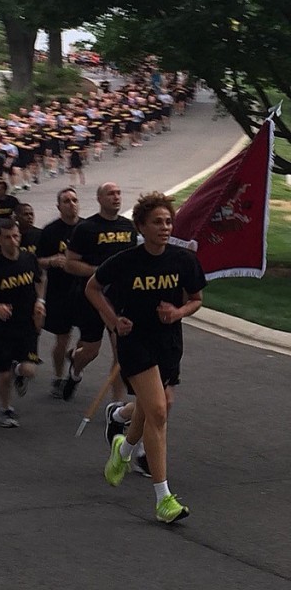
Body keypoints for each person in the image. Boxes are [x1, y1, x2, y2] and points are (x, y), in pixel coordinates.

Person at [85, 192, 206, 524]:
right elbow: (92, 288)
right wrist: (112, 320)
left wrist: (178, 311)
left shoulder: (183, 260)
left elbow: (196, 299)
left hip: (167, 342)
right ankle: (163, 499)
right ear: (141, 226)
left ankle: (122, 450)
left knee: (156, 406)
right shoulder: (125, 261)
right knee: (157, 411)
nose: (165, 227)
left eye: (168, 221)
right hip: (134, 341)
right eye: (157, 222)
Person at [63, 182, 137, 403]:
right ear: (99, 199)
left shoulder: (128, 228)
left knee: (120, 354)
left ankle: (116, 406)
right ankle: (75, 370)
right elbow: (70, 264)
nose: (115, 197)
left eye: (118, 193)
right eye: (110, 194)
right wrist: (100, 272)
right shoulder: (86, 228)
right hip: (91, 297)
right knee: (90, 351)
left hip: (120, 299)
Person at [0, 219, 45, 427]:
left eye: (16, 236)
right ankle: (6, 409)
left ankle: (18, 371)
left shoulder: (29, 258)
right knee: (3, 375)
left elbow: (39, 280)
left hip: (27, 323)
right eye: (7, 237)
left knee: (29, 370)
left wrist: (40, 301)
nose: (13, 241)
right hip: (1, 326)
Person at [36, 188, 81, 397]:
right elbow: (37, 262)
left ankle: (77, 356)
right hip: (60, 290)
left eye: (74, 200)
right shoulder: (50, 231)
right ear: (59, 206)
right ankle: (58, 377)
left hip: (84, 290)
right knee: (63, 337)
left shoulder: (86, 228)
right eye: (66, 201)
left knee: (90, 339)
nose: (71, 204)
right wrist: (53, 260)